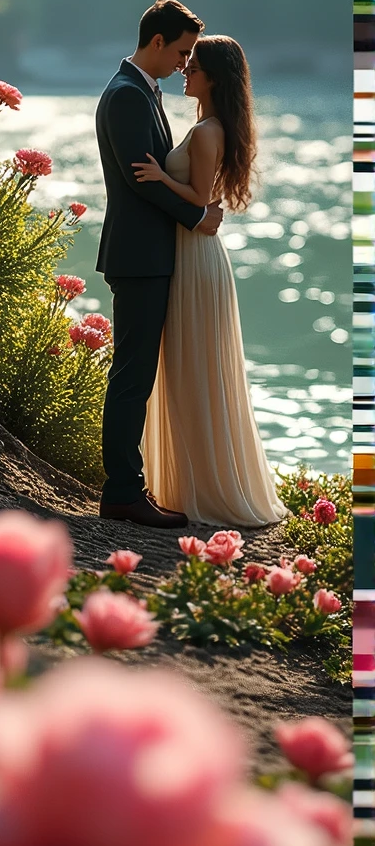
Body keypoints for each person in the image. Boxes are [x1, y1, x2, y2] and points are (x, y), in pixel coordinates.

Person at [133, 34, 286, 526]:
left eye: (193, 65)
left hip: (195, 257)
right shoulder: (209, 126)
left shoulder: (206, 132)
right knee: (190, 370)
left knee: (193, 370)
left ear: (213, 77)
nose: (185, 70)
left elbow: (199, 198)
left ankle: (204, 489)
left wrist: (160, 178)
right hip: (197, 253)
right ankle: (192, 482)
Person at [95, 0, 223, 526]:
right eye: (181, 51)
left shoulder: (143, 91)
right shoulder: (126, 95)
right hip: (138, 256)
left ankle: (129, 486)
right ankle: (124, 490)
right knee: (132, 375)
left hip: (150, 255)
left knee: (138, 373)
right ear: (156, 42)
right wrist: (197, 219)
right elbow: (138, 179)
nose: (184, 62)